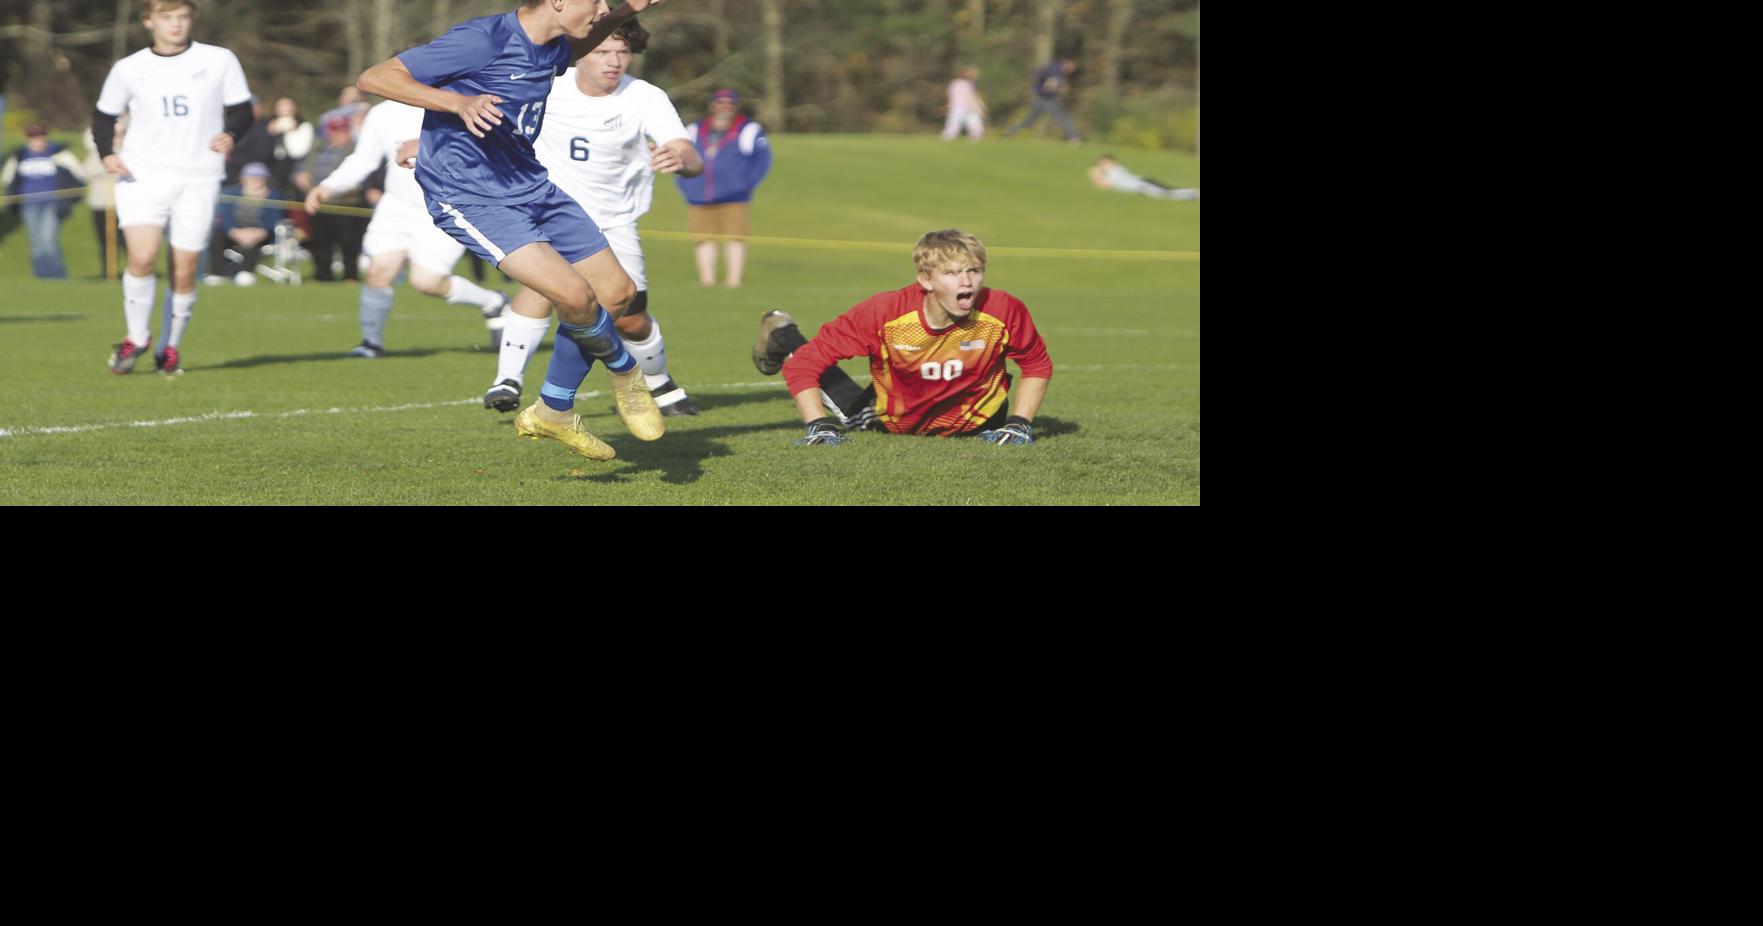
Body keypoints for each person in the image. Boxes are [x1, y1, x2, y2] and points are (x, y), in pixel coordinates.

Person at [356, 0, 672, 462]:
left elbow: (576, 44)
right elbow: (375, 77)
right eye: (596, 1)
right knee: (575, 296)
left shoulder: (553, 44)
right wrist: (456, 102)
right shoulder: (483, 39)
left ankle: (553, 410)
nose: (601, 9)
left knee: (617, 293)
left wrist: (626, 10)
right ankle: (626, 371)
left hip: (531, 185)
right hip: (471, 196)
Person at [484, 17, 703, 416]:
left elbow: (690, 155)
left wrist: (680, 158)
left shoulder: (645, 97)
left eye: (623, 52)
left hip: (614, 220)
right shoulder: (547, 84)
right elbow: (487, 116)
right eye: (602, 51)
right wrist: (424, 143)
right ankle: (507, 381)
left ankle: (661, 383)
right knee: (542, 286)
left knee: (630, 319)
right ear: (581, 53)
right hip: (548, 210)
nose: (614, 61)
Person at [752, 229, 1052, 446]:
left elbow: (1036, 364)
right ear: (925, 279)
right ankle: (782, 332)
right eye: (951, 273)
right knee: (848, 404)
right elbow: (805, 365)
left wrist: (1019, 423)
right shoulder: (884, 312)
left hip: (982, 423)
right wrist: (819, 426)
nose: (967, 282)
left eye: (974, 271)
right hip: (894, 422)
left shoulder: (1003, 309)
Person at [92, 0, 253, 376]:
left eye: (182, 17)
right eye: (166, 18)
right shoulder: (129, 68)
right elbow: (103, 115)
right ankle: (137, 337)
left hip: (198, 176)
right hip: (141, 175)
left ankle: (170, 347)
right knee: (142, 257)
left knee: (184, 269)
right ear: (149, 21)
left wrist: (231, 134)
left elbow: (243, 110)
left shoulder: (219, 60)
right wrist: (106, 153)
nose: (175, 25)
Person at [304, 97, 513, 358]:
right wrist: (329, 186)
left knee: (427, 282)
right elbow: (364, 159)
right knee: (378, 271)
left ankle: (493, 302)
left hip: (444, 205)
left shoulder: (454, 102)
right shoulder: (382, 112)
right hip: (396, 206)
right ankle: (370, 343)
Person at [677, 87, 769, 288]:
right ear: (712, 105)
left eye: (730, 103)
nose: (724, 107)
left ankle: (733, 282)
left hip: (735, 196)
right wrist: (687, 185)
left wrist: (744, 184)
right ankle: (707, 281)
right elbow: (681, 158)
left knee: (735, 238)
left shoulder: (748, 129)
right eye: (720, 102)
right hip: (699, 194)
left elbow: (762, 161)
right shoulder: (694, 130)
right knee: (703, 239)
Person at [3, 124, 85, 280]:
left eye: (40, 137)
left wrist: (69, 199)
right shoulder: (20, 155)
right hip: (29, 204)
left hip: (52, 203)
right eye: (33, 137)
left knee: (48, 239)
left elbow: (78, 175)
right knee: (36, 242)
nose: (37, 141)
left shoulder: (58, 153)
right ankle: (41, 275)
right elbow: (8, 178)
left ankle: (56, 275)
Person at [296, 114, 369, 281]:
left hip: (347, 204)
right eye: (335, 131)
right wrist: (301, 176)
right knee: (320, 241)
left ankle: (350, 276)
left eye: (343, 130)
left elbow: (362, 177)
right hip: (319, 203)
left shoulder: (356, 149)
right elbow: (302, 167)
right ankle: (323, 275)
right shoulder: (318, 147)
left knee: (349, 242)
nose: (339, 135)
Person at [81, 119, 129, 275]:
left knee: (126, 239)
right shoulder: (98, 153)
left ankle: (135, 270)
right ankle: (108, 272)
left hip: (122, 204)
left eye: (120, 134)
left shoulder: (129, 152)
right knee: (105, 240)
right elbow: (86, 172)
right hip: (100, 203)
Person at [1003, 58, 1081, 143]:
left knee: (1030, 121)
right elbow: (1041, 75)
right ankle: (1073, 137)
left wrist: (1059, 87)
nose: (1071, 70)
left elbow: (1054, 83)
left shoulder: (1059, 71)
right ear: (1066, 63)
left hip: (1040, 99)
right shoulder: (1054, 69)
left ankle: (1010, 131)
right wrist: (1048, 83)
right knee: (1063, 117)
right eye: (1071, 67)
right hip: (1046, 99)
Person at [1088, 154, 1197, 200]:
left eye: (1103, 163)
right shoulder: (1114, 170)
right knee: (1168, 191)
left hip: (1142, 185)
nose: (1101, 166)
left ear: (1111, 162)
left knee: (1166, 194)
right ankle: (1193, 193)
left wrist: (1095, 177)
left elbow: (1105, 186)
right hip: (1143, 182)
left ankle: (1194, 194)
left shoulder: (1114, 171)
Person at [940, 65, 987, 142]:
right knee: (953, 125)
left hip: (966, 108)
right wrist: (979, 107)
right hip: (960, 107)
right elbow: (969, 97)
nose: (976, 75)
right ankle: (947, 140)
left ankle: (975, 140)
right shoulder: (958, 83)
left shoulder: (967, 84)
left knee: (975, 126)